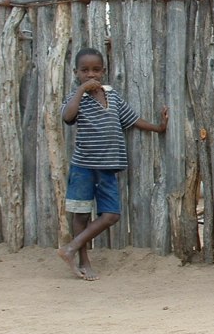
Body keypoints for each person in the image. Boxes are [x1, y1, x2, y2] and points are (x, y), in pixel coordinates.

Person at [58, 48, 168, 280]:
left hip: (107, 169)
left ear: (104, 71)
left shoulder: (112, 96)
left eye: (96, 70)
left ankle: (71, 247)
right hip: (83, 167)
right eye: (85, 70)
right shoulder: (76, 98)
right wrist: (80, 91)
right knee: (81, 215)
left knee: (111, 215)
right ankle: (83, 261)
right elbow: (67, 117)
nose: (91, 75)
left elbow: (132, 119)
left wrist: (158, 128)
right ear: (76, 72)